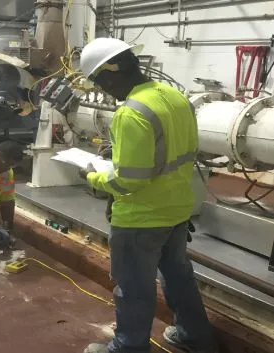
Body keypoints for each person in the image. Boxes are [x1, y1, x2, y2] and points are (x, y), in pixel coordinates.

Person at [78, 38, 215, 353]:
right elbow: (169, 149)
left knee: (134, 288)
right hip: (178, 211)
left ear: (110, 76)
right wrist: (120, 151)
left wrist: (92, 176)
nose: (105, 91)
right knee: (178, 277)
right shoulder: (175, 98)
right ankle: (195, 335)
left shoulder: (131, 112)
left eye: (100, 83)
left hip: (141, 219)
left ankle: (129, 347)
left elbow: (129, 182)